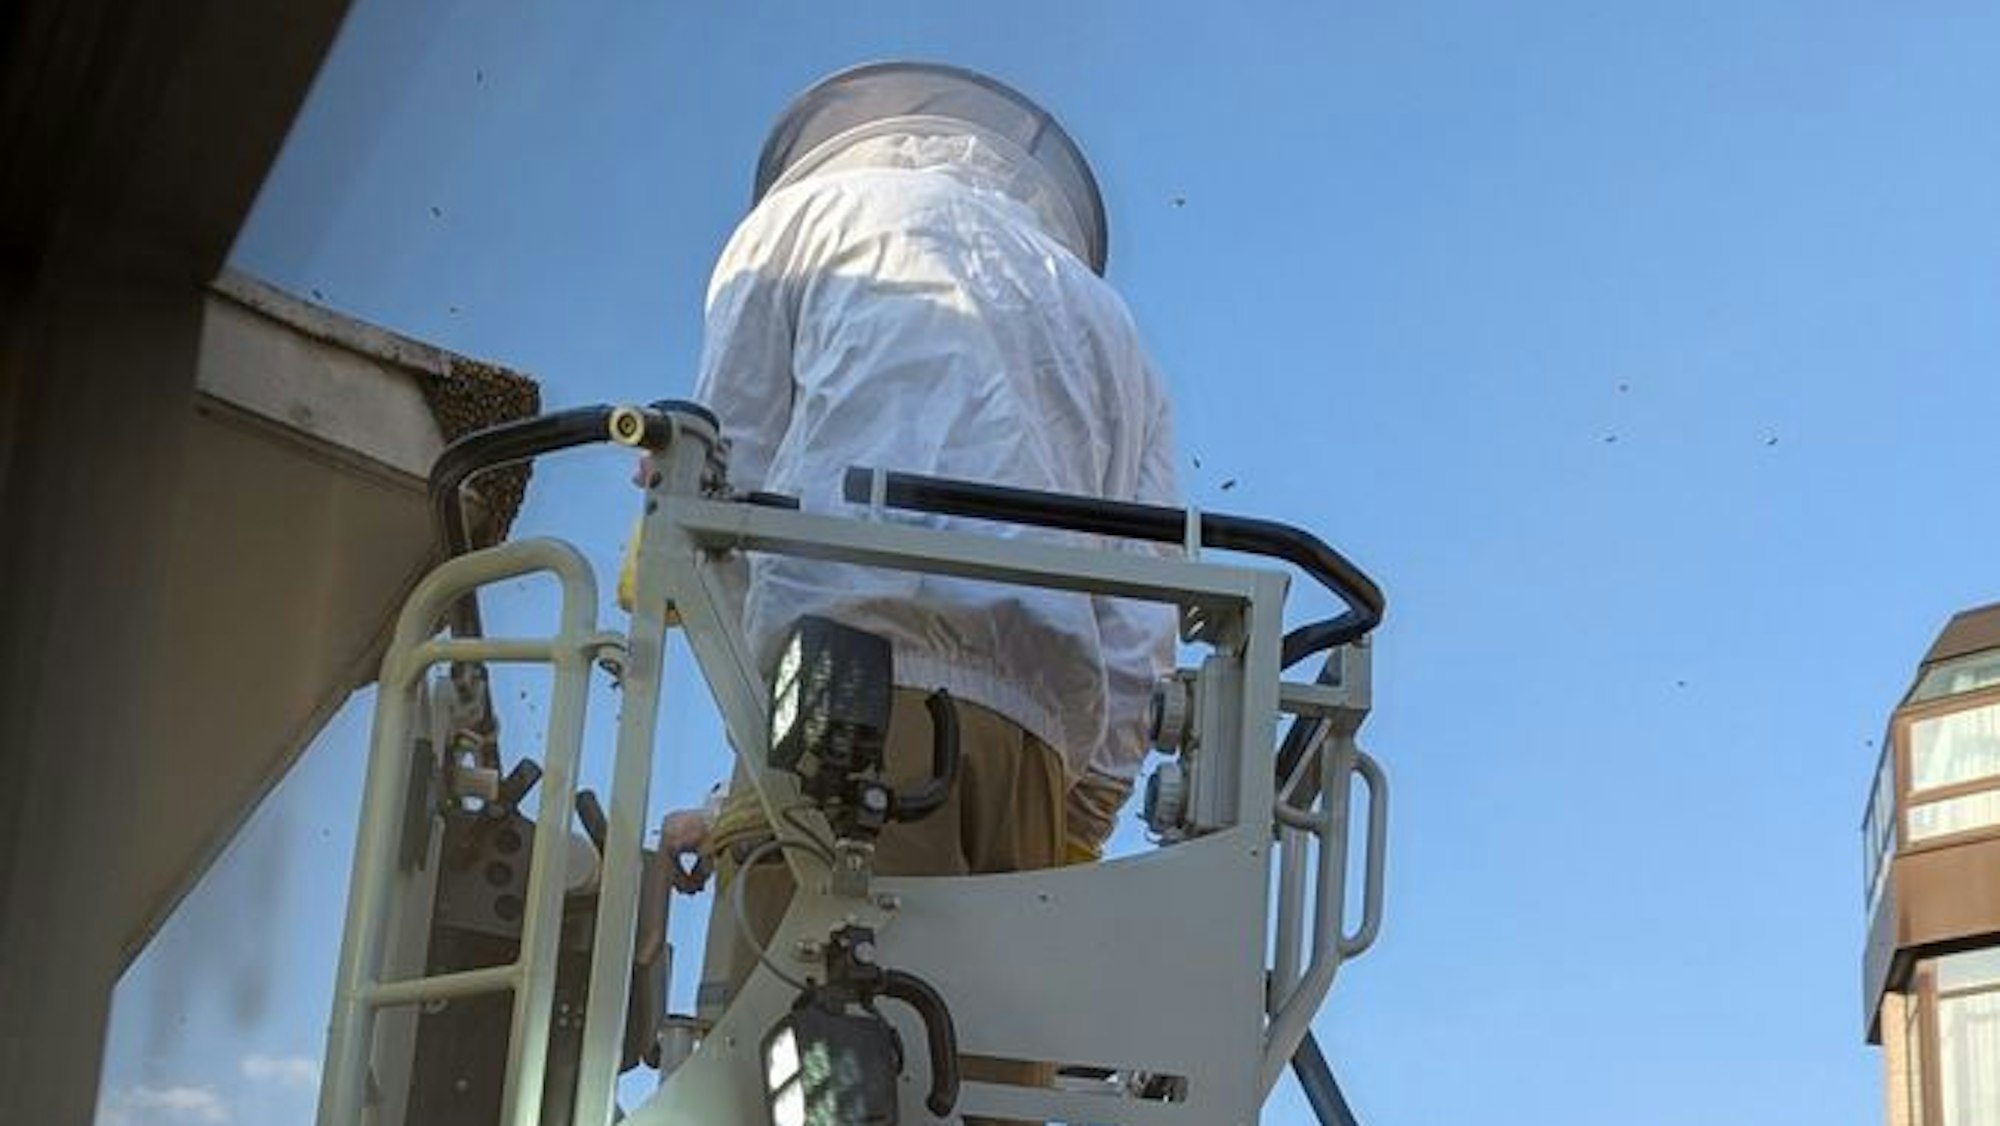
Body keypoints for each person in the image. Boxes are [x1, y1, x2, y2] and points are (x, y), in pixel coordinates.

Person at [662, 61, 1177, 1124]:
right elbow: (1143, 612)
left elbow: (715, 476)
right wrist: (1078, 823)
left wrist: (736, 794)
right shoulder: (1105, 322)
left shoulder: (805, 220)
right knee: (987, 1092)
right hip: (1035, 761)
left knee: (804, 1075)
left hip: (836, 707)